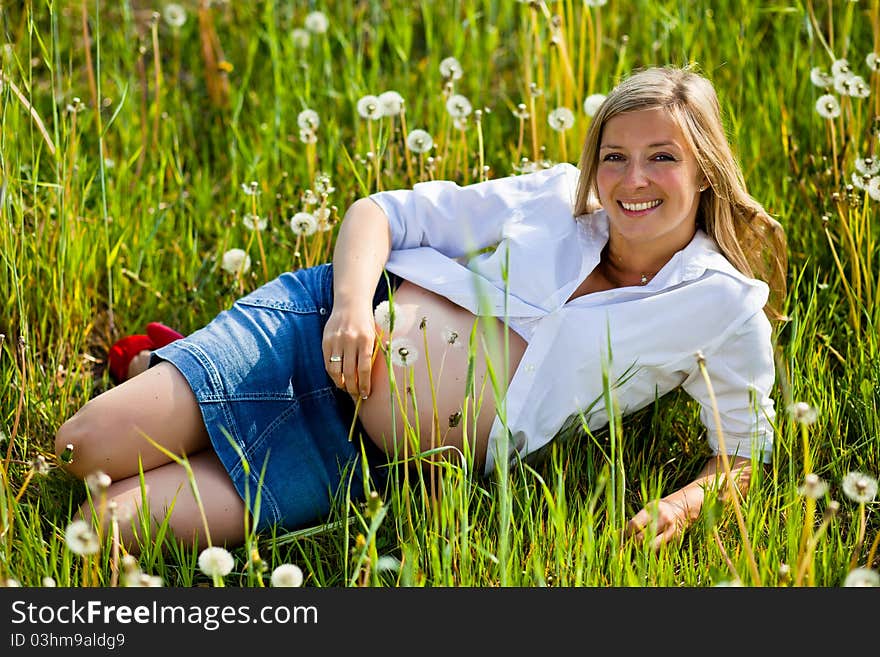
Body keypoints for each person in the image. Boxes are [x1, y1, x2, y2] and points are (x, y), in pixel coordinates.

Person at [55, 65, 787, 552]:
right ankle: (186, 370)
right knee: (77, 449)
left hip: (360, 458)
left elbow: (746, 454)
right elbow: (380, 213)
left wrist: (685, 504)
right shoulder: (556, 200)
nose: (632, 179)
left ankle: (172, 370)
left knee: (101, 523)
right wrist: (347, 307)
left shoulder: (720, 307)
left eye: (662, 156)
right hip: (313, 334)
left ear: (706, 170)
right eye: (615, 155)